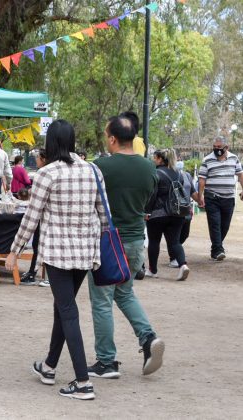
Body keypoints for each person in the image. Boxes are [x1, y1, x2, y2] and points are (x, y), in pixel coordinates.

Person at [5, 119, 105, 400]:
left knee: (67, 310)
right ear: (72, 141)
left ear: (50, 143)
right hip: (86, 253)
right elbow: (103, 214)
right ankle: (49, 366)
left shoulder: (47, 173)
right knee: (63, 308)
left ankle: (83, 382)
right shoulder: (93, 170)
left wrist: (14, 250)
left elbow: (31, 218)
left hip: (58, 253)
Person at [88, 115, 164, 380]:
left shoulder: (100, 167)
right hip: (134, 241)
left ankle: (106, 361)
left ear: (112, 138)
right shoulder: (149, 168)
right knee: (125, 293)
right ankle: (148, 338)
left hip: (107, 242)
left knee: (102, 301)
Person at [145, 149, 190, 281]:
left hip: (158, 214)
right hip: (177, 213)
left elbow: (152, 195)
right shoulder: (179, 174)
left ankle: (153, 270)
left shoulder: (156, 174)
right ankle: (183, 265)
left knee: (154, 241)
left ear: (160, 159)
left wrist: (147, 211)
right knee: (175, 242)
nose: (153, 160)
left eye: (155, 157)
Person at [198, 136, 243, 260]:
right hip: (212, 197)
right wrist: (200, 195)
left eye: (219, 147)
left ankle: (215, 249)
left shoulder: (234, 158)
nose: (216, 149)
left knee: (225, 225)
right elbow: (202, 179)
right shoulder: (207, 160)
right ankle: (218, 250)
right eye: (214, 147)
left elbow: (240, 175)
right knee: (215, 224)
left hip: (228, 198)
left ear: (226, 147)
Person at [20, 149, 48, 287]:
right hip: (42, 217)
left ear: (43, 159)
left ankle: (35, 273)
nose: (35, 159)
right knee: (37, 244)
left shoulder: (43, 174)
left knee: (40, 245)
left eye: (37, 157)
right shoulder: (42, 173)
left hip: (43, 217)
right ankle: (32, 271)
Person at [168, 161, 198, 267]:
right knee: (174, 236)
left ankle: (175, 251)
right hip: (174, 211)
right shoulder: (169, 175)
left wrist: (200, 199)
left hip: (186, 210)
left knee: (185, 234)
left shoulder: (187, 175)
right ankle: (173, 257)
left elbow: (192, 191)